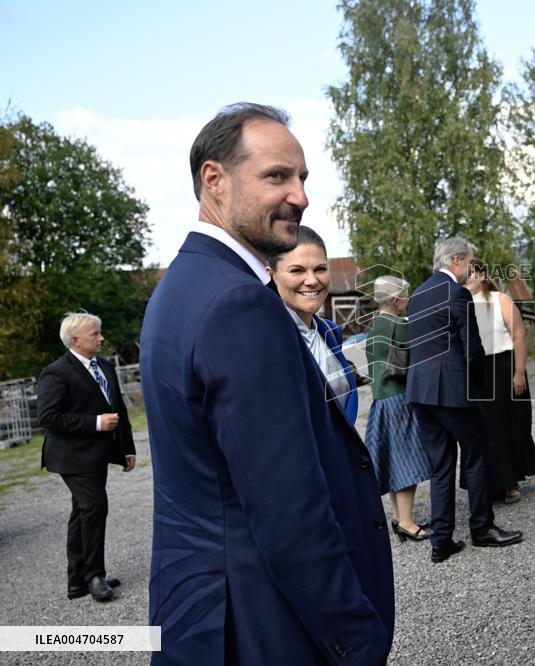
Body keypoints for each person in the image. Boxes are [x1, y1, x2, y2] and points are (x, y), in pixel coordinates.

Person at [140, 103, 393, 665]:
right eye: (277, 176)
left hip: (201, 612)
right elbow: (288, 509)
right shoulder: (240, 303)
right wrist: (356, 641)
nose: (300, 196)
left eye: (303, 178)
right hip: (261, 619)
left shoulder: (183, 284)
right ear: (214, 179)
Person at [406, 237, 523, 563]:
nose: (472, 268)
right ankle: (482, 528)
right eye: (470, 261)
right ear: (456, 260)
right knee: (479, 454)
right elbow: (471, 347)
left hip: (420, 392)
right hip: (453, 391)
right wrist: (479, 386)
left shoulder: (418, 294)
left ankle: (441, 540)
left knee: (441, 466)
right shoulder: (456, 293)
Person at [37, 312, 136, 602]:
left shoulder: (104, 366)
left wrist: (127, 448)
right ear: (75, 339)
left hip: (97, 455)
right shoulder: (56, 372)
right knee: (94, 506)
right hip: (71, 457)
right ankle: (94, 575)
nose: (101, 338)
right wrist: (95, 423)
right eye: (95, 334)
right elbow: (49, 417)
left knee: (82, 511)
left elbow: (119, 409)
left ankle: (77, 582)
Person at [466, 258, 535, 503]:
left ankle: (510, 482)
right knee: (485, 430)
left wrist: (519, 372)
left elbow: (519, 336)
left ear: (481, 276)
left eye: (470, 273)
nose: (465, 278)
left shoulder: (501, 300)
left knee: (507, 426)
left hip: (505, 367)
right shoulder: (461, 303)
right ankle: (489, 484)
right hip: (478, 372)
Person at [267, 224, 359, 424]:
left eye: (320, 269)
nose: (312, 280)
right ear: (272, 275)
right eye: (297, 270)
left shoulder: (330, 332)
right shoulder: (264, 340)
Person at [364, 274, 433, 541]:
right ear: (395, 299)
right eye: (405, 295)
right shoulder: (400, 325)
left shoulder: (374, 326)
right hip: (400, 399)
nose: (408, 300)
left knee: (394, 461)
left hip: (382, 401)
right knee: (407, 462)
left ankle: (398, 517)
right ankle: (406, 522)